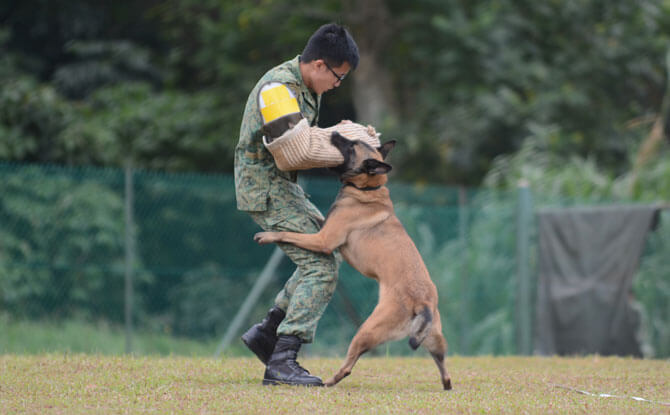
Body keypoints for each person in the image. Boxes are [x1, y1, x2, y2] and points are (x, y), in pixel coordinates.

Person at [234, 23, 360, 387]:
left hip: (281, 187)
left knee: (327, 253)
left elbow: (304, 141)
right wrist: (345, 141)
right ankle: (282, 360)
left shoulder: (304, 87)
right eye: (338, 77)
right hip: (265, 189)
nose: (337, 85)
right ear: (319, 65)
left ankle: (268, 333)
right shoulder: (277, 90)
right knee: (321, 265)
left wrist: (339, 136)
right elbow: (296, 153)